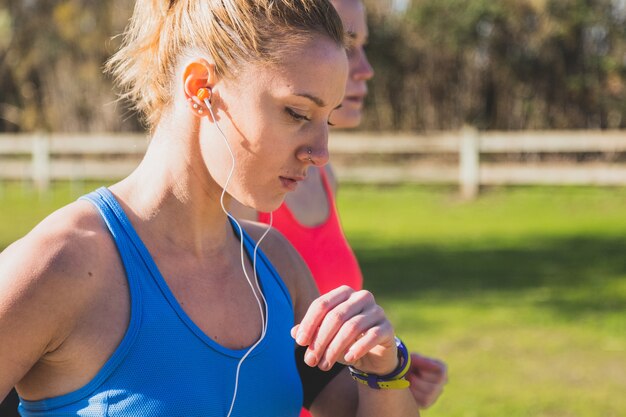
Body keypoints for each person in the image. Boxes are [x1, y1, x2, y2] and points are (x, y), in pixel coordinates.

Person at [0, 0, 422, 416]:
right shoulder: (57, 265)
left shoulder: (276, 265)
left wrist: (384, 369)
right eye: (297, 113)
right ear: (201, 88)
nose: (320, 152)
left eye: (326, 120)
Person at [231, 0, 448, 413]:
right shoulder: (240, 194)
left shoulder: (323, 177)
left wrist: (380, 376)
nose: (363, 68)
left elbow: (313, 358)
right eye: (347, 44)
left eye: (361, 46)